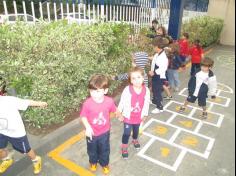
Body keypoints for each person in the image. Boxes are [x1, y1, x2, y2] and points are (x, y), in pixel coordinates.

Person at [0, 76, 48, 175]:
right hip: (1, 131)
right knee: (0, 148)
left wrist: (40, 103)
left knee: (26, 150)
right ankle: (6, 159)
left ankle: (36, 160)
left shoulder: (9, 100)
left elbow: (26, 102)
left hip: (17, 133)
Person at [80, 74, 118, 175]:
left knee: (104, 149)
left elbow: (115, 110)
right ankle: (93, 162)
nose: (94, 94)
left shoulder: (109, 101)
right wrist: (87, 127)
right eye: (92, 91)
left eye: (98, 91)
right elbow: (83, 116)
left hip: (104, 132)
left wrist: (120, 114)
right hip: (91, 133)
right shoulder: (87, 103)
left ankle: (104, 164)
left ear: (105, 91)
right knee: (91, 149)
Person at [118, 67, 150, 159]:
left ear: (143, 78)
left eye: (139, 77)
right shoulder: (127, 89)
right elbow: (122, 102)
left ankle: (135, 140)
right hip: (128, 116)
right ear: (131, 81)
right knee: (127, 133)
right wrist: (119, 113)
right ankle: (124, 147)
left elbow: (146, 103)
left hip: (138, 116)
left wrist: (145, 114)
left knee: (136, 131)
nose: (136, 80)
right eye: (133, 78)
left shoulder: (146, 90)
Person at [149, 37, 169, 114]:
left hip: (159, 76)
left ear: (157, 47)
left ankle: (159, 107)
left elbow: (163, 67)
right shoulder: (158, 54)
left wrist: (154, 72)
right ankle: (154, 101)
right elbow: (154, 59)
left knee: (157, 91)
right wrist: (148, 57)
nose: (153, 47)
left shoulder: (163, 57)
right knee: (154, 88)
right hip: (155, 75)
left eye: (153, 46)